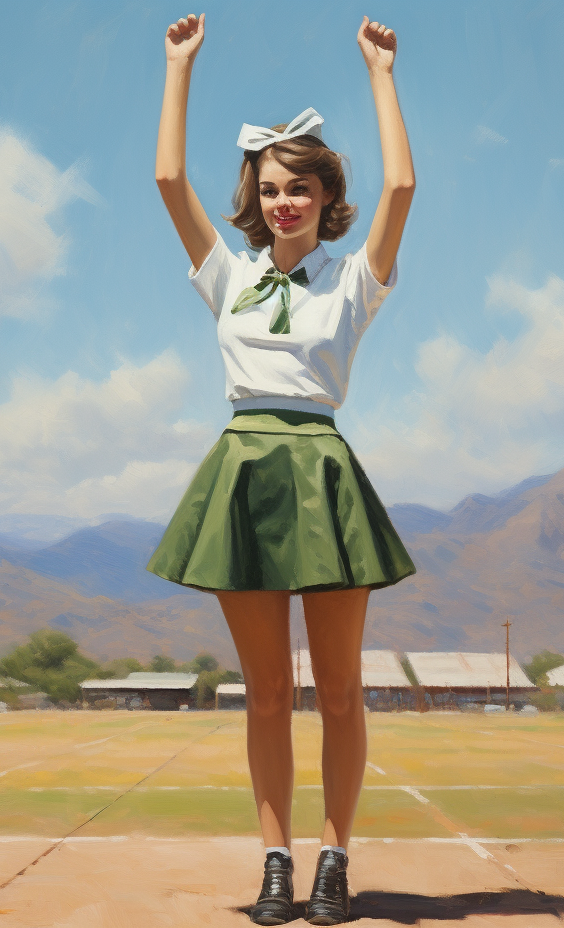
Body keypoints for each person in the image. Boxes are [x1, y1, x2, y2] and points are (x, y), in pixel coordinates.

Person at [148, 12, 416, 926]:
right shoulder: (228, 276)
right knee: (266, 692)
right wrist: (178, 67)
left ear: (323, 196)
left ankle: (335, 858)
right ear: (255, 197)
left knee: (338, 689)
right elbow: (168, 178)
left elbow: (405, 186)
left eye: (299, 187)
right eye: (270, 188)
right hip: (245, 473)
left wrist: (380, 75)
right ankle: (276, 860)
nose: (284, 202)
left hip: (322, 475)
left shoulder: (353, 280)